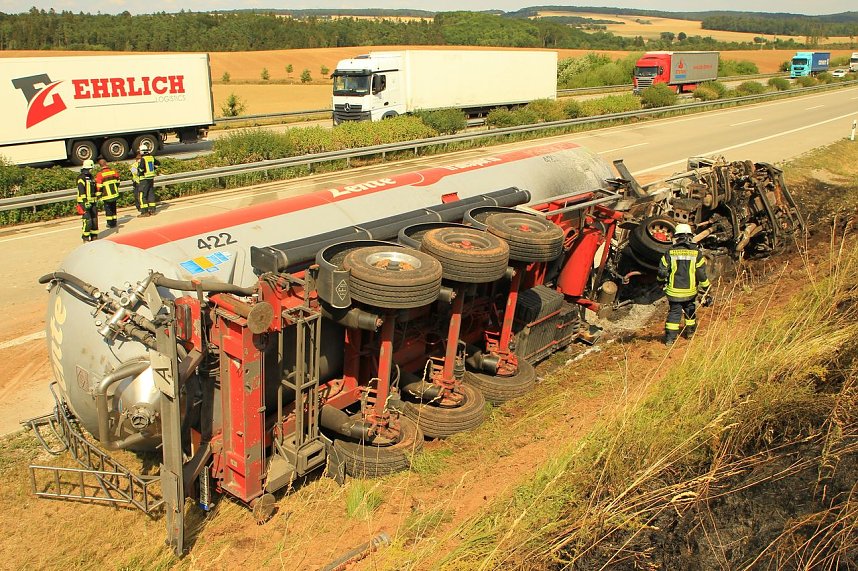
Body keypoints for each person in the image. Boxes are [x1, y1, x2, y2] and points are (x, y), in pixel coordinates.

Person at [657, 223, 710, 346]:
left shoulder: (670, 252)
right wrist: (707, 287)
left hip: (674, 292)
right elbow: (701, 273)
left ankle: (670, 339)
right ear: (690, 236)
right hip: (690, 292)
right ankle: (690, 333)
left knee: (674, 313)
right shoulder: (696, 253)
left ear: (677, 236)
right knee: (690, 311)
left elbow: (662, 271)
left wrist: (660, 282)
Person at [76, 159, 99, 242]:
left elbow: (94, 188)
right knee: (87, 220)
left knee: (94, 220)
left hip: (93, 202)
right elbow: (81, 190)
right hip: (84, 202)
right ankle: (85, 237)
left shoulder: (91, 177)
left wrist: (97, 197)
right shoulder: (81, 178)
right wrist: (85, 201)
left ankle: (94, 236)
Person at [95, 158, 121, 228]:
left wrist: (98, 196)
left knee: (108, 209)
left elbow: (99, 187)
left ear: (100, 165)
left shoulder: (100, 175)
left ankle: (110, 223)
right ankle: (114, 221)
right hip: (114, 194)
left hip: (106, 195)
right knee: (113, 208)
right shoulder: (113, 172)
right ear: (106, 163)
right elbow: (118, 182)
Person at [136, 142, 160, 216]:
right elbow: (158, 163)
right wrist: (154, 168)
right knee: (151, 194)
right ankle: (153, 210)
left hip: (144, 179)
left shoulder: (143, 159)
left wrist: (138, 170)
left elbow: (141, 169)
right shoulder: (151, 157)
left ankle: (144, 212)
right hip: (151, 178)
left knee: (142, 195)